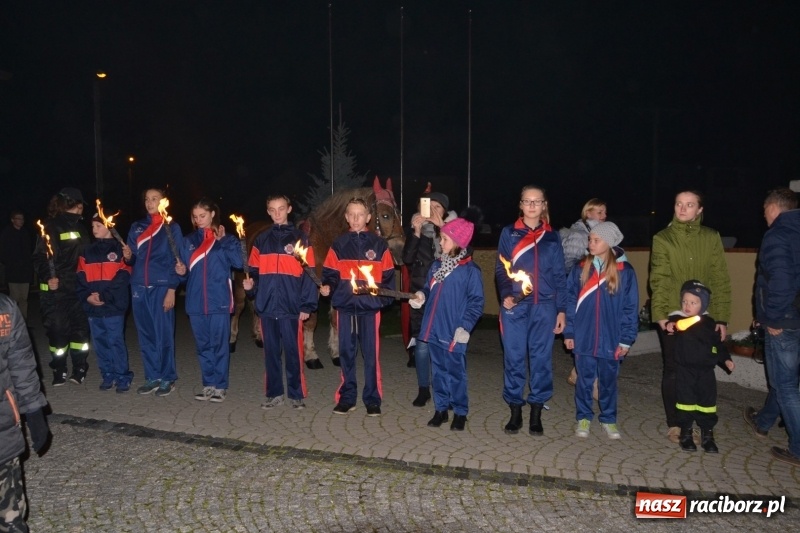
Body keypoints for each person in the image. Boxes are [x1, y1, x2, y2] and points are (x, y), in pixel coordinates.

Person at [649, 190, 731, 443]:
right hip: (675, 314)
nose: (683, 209)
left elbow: (720, 277)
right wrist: (662, 315)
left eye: (689, 205)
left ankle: (703, 422)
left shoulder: (711, 237)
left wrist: (721, 318)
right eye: (679, 204)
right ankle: (676, 423)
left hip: (704, 317)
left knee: (703, 369)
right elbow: (659, 278)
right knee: (674, 368)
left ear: (699, 210)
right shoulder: (663, 238)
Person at [496, 185, 567, 436]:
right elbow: (501, 270)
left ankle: (536, 411)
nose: (532, 205)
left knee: (541, 361)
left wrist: (561, 310)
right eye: (528, 201)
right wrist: (506, 295)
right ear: (521, 204)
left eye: (537, 201)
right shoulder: (509, 233)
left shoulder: (552, 236)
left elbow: (560, 275)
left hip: (545, 307)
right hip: (516, 306)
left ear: (544, 205)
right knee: (514, 359)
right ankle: (515, 410)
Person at [320, 197, 395, 416]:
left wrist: (381, 300)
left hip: (370, 310)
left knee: (370, 356)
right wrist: (328, 288)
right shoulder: (339, 244)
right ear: (345, 217)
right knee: (346, 354)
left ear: (368, 217)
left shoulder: (379, 245)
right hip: (345, 308)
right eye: (351, 214)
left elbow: (389, 278)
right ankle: (347, 397)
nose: (355, 219)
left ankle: (372, 399)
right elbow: (330, 274)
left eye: (360, 214)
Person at [563, 222, 638, 440]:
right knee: (584, 380)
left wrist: (625, 340)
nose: (591, 243)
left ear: (609, 243)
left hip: (611, 339)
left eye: (596, 240)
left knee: (608, 382)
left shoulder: (625, 271)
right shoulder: (581, 268)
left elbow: (630, 308)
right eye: (590, 239)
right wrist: (569, 332)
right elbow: (570, 301)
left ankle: (609, 419)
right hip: (584, 337)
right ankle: (584, 417)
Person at [243, 195, 318, 410]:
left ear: (289, 209)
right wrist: (251, 288)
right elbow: (254, 273)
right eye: (272, 210)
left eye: (281, 209)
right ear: (267, 211)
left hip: (291, 307)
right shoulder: (261, 240)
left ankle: (296, 394)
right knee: (271, 353)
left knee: (294, 353)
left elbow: (309, 275)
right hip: (267, 307)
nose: (277, 213)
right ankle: (275, 393)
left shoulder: (300, 239)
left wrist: (306, 305)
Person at [410, 218, 484, 431]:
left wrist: (465, 327)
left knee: (456, 373)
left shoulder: (470, 271)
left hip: (454, 332)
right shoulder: (436, 266)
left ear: (459, 241)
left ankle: (460, 412)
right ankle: (441, 409)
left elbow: (477, 302)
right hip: (433, 328)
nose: (440, 243)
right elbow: (427, 289)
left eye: (444, 239)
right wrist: (420, 297)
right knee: (439, 372)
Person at [744, 188, 800, 466]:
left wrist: (772, 318)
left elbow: (780, 281)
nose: (763, 215)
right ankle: (764, 421)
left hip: (785, 320)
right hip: (795, 318)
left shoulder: (778, 235)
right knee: (783, 380)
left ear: (775, 208)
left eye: (765, 209)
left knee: (786, 385)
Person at [175, 198, 242, 404]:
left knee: (219, 345)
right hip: (195, 303)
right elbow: (184, 274)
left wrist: (222, 242)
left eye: (202, 216)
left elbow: (239, 263)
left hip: (219, 300)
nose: (198, 220)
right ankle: (208, 384)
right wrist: (180, 272)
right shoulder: (188, 241)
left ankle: (221, 386)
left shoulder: (227, 240)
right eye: (195, 217)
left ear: (212, 214)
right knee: (203, 346)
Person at [122, 188, 184, 397]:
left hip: (161, 287)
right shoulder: (137, 227)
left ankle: (168, 377)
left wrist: (172, 289)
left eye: (154, 199)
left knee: (163, 335)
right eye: (147, 199)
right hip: (139, 287)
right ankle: (153, 376)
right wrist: (128, 256)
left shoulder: (171, 228)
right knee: (146, 335)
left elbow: (178, 261)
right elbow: (131, 259)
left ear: (163, 202)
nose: (150, 203)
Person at [0, 293, 51, 532]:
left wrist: (34, 410)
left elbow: (21, 362)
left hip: (2, 430)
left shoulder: (4, 308)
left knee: (10, 516)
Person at [402, 187, 456, 407]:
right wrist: (415, 233)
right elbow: (406, 259)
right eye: (428, 206)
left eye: (437, 207)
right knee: (422, 345)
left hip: (445, 294)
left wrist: (444, 228)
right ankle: (424, 389)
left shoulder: (453, 230)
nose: (432, 211)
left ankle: (447, 389)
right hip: (421, 294)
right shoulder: (418, 231)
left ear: (444, 211)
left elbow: (462, 254)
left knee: (445, 344)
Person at [665, 280, 735, 453]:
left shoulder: (710, 324)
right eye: (685, 302)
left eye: (693, 303)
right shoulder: (679, 320)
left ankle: (708, 435)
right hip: (685, 370)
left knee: (707, 403)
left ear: (703, 304)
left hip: (705, 372)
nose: (687, 306)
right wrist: (671, 325)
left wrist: (725, 359)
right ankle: (686, 434)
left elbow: (718, 345)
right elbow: (672, 326)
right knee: (685, 402)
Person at [32, 187, 91, 386]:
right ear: (68, 203)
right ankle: (59, 367)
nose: (81, 207)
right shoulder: (50, 227)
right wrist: (49, 277)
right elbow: (40, 257)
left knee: (80, 331)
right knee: (58, 330)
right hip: (56, 291)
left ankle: (80, 366)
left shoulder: (83, 229)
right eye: (78, 203)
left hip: (78, 289)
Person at [76, 213, 134, 392]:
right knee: (100, 341)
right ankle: (107, 373)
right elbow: (79, 277)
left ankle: (122, 375)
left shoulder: (121, 250)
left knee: (115, 340)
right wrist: (88, 296)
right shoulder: (87, 251)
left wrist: (104, 296)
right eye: (92, 226)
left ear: (109, 226)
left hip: (113, 306)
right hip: (93, 307)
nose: (94, 230)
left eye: (98, 226)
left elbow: (124, 275)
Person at [0, 210, 34, 319]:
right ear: (12, 220)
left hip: (25, 271)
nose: (21, 221)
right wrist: (10, 263)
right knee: (14, 298)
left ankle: (23, 321)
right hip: (13, 271)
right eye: (18, 218)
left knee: (24, 298)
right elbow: (3, 251)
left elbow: (29, 250)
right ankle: (13, 322)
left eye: (22, 218)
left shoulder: (25, 233)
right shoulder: (7, 233)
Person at [560, 198, 607, 274]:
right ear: (588, 214)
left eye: (605, 212)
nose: (604, 215)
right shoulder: (578, 235)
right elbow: (568, 266)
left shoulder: (601, 234)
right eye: (600, 212)